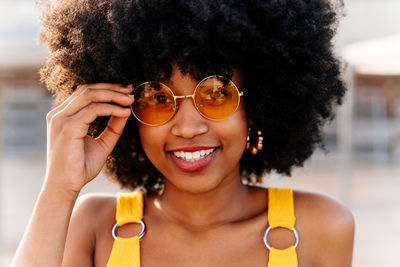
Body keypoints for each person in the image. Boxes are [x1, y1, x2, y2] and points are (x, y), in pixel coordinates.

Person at [11, 0, 354, 266]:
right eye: (158, 98)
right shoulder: (93, 227)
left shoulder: (320, 228)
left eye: (217, 93)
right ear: (128, 113)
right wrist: (59, 189)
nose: (188, 128)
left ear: (259, 104)